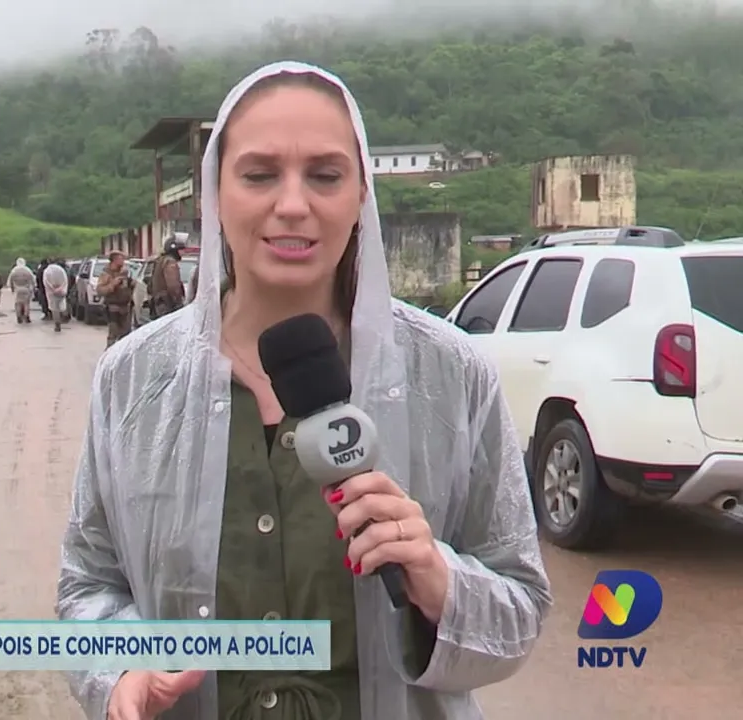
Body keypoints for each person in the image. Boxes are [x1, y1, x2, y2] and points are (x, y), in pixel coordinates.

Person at [57, 62, 551, 720]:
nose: (293, 204)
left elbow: (518, 607)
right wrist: (119, 671)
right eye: (260, 174)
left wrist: (436, 576)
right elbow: (89, 585)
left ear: (360, 197)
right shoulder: (132, 380)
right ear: (214, 195)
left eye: (325, 175)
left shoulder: (451, 374)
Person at [95, 250, 135, 347]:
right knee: (113, 333)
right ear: (114, 260)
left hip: (126, 307)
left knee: (126, 335)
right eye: (121, 259)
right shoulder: (106, 274)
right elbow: (100, 290)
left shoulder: (125, 272)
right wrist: (112, 285)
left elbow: (129, 287)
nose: (123, 261)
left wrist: (132, 284)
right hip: (113, 307)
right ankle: (109, 354)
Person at [149, 236, 187, 317]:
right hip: (167, 304)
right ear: (174, 250)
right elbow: (173, 285)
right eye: (181, 250)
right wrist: (178, 302)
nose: (183, 252)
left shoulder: (161, 260)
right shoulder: (170, 262)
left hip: (159, 303)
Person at [43, 259, 70, 332]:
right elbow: (65, 280)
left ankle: (57, 324)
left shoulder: (47, 271)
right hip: (61, 291)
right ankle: (64, 314)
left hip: (51, 293)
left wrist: (52, 289)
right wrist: (61, 288)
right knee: (62, 304)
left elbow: (45, 281)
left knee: (54, 309)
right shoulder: (61, 270)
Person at [7, 257, 36, 324]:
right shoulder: (27, 270)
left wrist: (12, 289)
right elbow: (33, 280)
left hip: (18, 289)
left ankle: (19, 316)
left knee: (18, 304)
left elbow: (10, 281)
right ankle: (26, 316)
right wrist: (33, 288)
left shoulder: (14, 270)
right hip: (26, 288)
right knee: (26, 304)